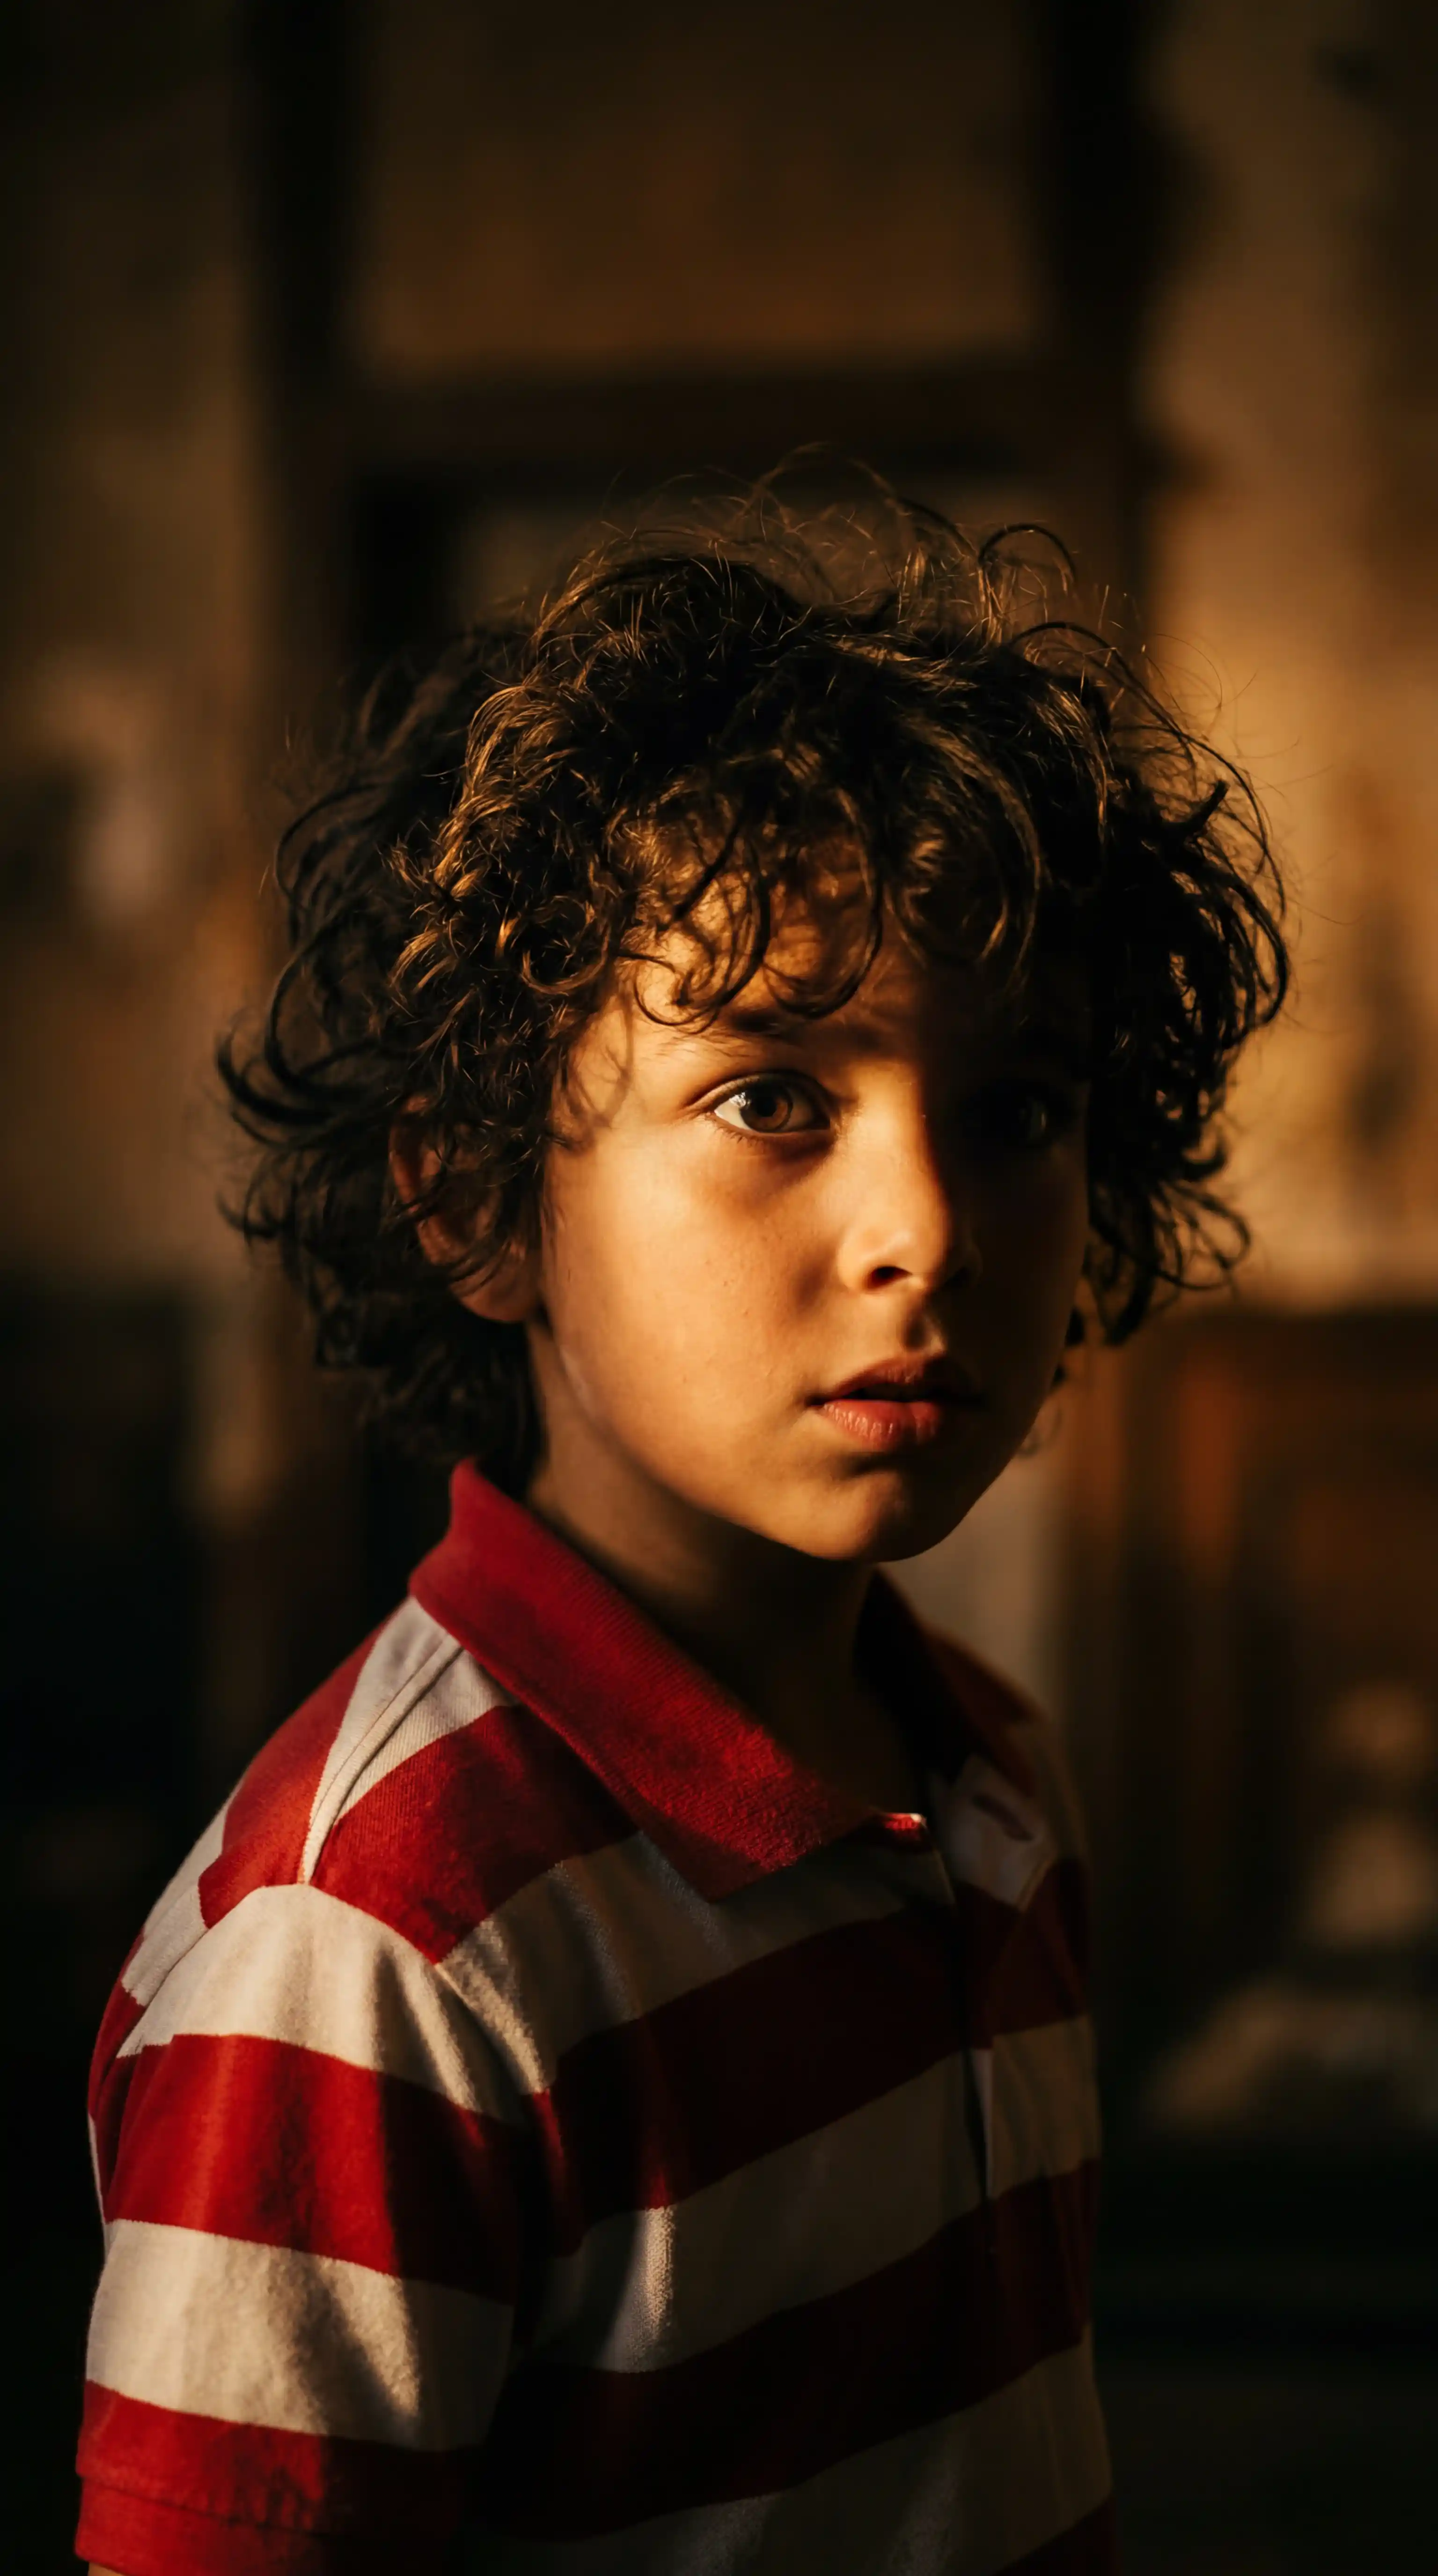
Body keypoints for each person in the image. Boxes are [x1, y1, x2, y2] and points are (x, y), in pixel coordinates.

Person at [77, 499, 1287, 2576]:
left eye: (1016, 1107)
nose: (925, 1232)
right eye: (771, 1098)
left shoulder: (994, 1765)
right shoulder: (366, 1948)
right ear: (475, 1200)